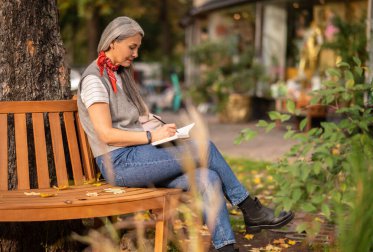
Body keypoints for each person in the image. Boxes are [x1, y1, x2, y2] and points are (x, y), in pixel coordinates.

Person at [77, 16, 294, 252]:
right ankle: (250, 209)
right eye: (132, 47)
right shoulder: (94, 80)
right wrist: (153, 137)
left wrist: (164, 130)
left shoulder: (118, 74)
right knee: (205, 148)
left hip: (141, 158)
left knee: (208, 179)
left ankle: (226, 247)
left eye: (137, 48)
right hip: (120, 164)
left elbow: (131, 122)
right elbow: (106, 134)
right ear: (112, 43)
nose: (136, 54)